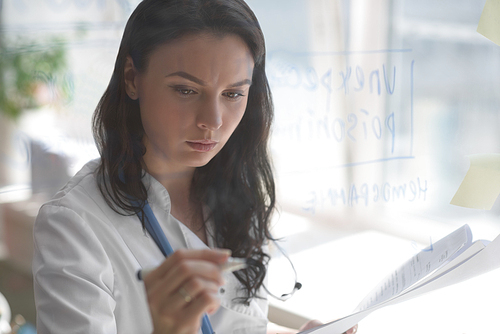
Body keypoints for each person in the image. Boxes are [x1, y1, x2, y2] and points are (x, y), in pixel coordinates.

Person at [32, 0, 358, 333]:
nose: (212, 122)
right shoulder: (74, 224)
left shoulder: (237, 195)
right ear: (132, 78)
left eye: (232, 94)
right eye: (186, 90)